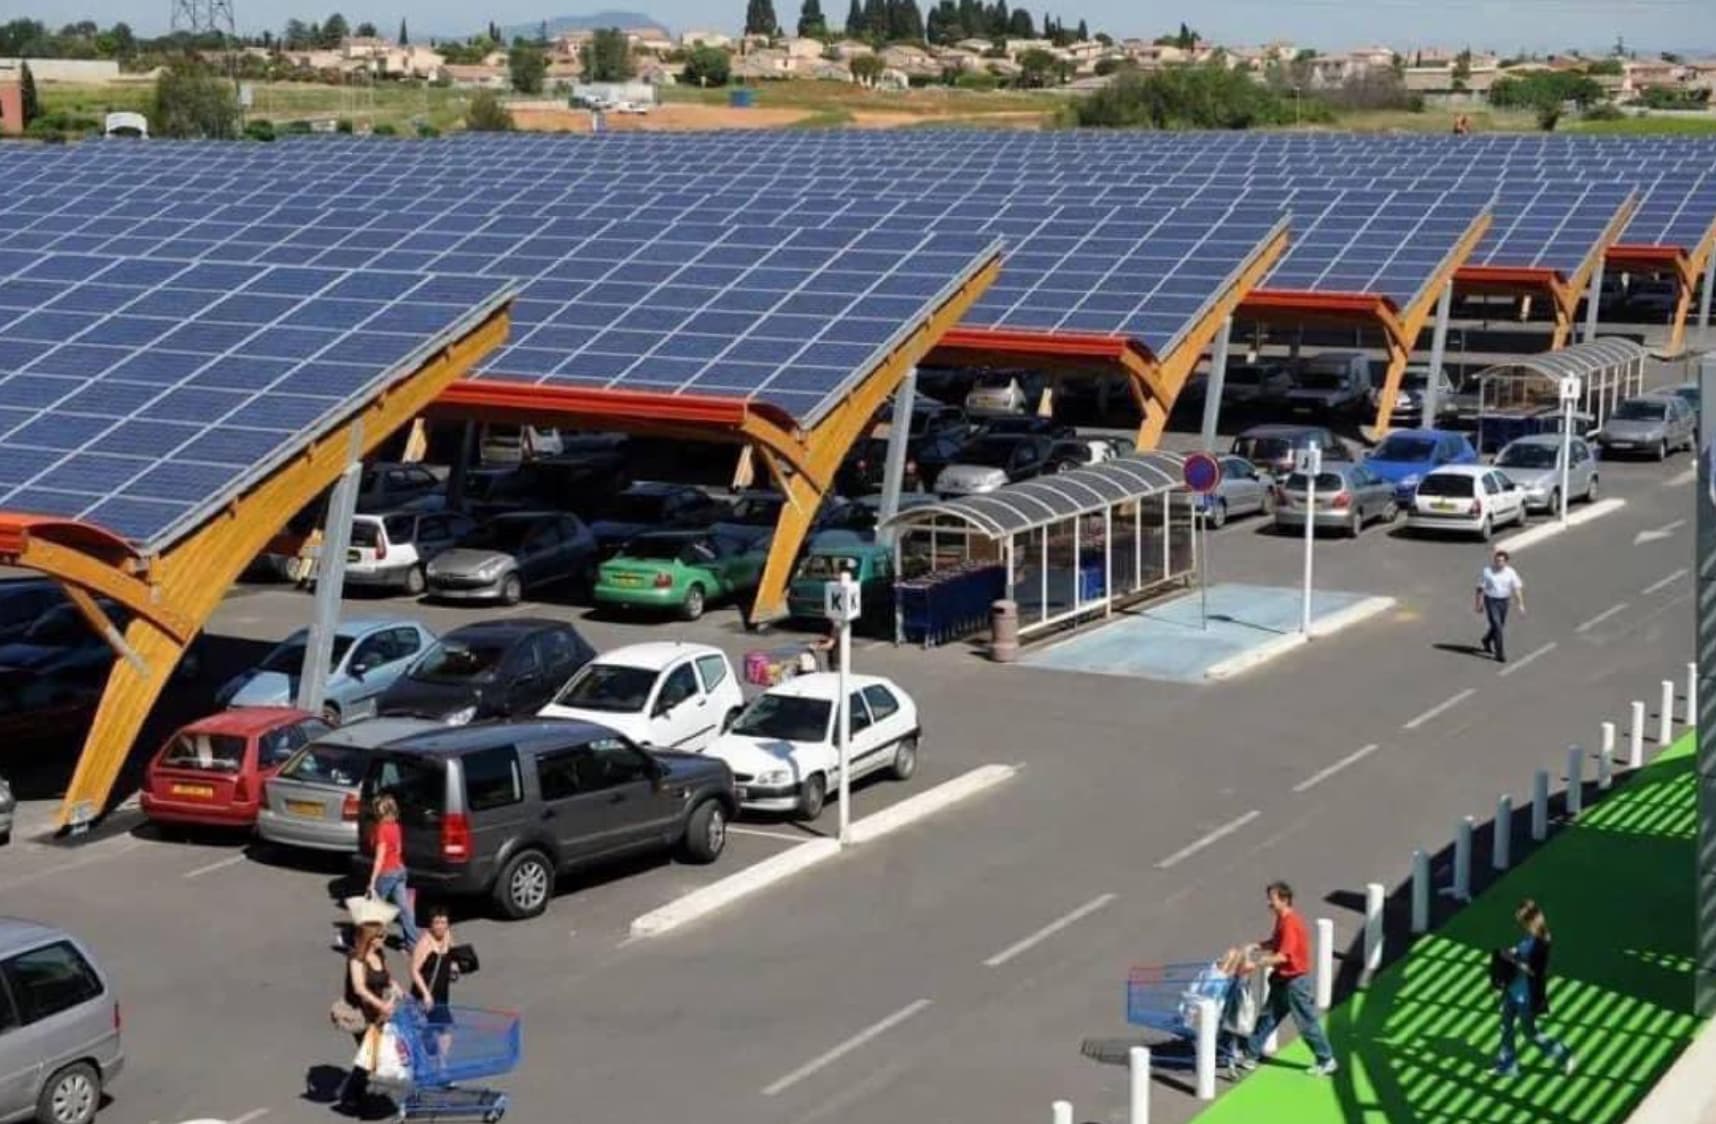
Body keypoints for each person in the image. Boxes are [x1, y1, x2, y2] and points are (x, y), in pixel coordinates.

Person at [1231, 882, 1337, 1078]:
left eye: (1272, 898)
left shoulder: (1290, 923)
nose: (1268, 903)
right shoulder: (1282, 919)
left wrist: (1257, 964)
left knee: (1306, 1022)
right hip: (1282, 979)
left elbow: (1283, 955)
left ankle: (1326, 1059)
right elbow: (1276, 943)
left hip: (1295, 982)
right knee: (1268, 1017)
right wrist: (1256, 945)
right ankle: (1251, 1055)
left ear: (1284, 899)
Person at [1495, 899, 1575, 1078]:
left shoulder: (1541, 943)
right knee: (1505, 1026)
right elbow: (1522, 952)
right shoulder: (1530, 938)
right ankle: (1508, 1066)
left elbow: (1533, 970)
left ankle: (1565, 1055)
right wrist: (1513, 952)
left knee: (1529, 1033)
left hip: (1527, 995)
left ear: (1531, 921)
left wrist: (1512, 959)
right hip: (1514, 990)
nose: (1520, 925)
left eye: (1522, 921)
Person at [336, 919, 397, 1114]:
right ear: (370, 938)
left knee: (371, 1057)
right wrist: (381, 1004)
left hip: (377, 1014)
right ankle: (350, 1094)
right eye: (381, 936)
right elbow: (359, 988)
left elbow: (386, 976)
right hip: (360, 1014)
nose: (384, 939)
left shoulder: (379, 954)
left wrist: (397, 988)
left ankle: (354, 1089)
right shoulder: (356, 960)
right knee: (369, 1056)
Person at [368, 795, 420, 951]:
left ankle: (370, 941)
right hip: (400, 869)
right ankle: (412, 943)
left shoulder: (381, 829)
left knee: (376, 909)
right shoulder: (396, 827)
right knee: (404, 908)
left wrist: (372, 881)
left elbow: (380, 858)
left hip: (387, 872)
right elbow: (398, 849)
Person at [1476, 549, 1525, 663]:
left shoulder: (1511, 572)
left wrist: (1521, 604)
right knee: (1497, 626)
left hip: (1504, 601)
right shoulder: (1487, 571)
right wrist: (1479, 604)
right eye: (1497, 560)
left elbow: (1517, 588)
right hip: (1491, 601)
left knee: (1499, 626)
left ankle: (1486, 640)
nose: (1499, 563)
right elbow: (1480, 588)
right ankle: (1500, 653)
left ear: (1506, 562)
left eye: (1501, 561)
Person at [411, 905, 458, 1022]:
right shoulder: (424, 944)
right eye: (436, 923)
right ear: (430, 924)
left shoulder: (447, 935)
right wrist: (426, 994)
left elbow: (453, 951)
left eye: (443, 922)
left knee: (438, 1032)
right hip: (426, 994)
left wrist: (453, 964)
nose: (440, 927)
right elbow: (414, 970)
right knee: (441, 1031)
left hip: (442, 994)